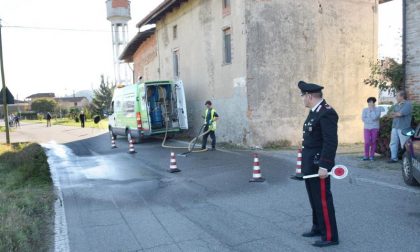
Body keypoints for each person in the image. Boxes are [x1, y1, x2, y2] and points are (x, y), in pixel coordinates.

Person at [298, 81, 339, 247]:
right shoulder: (315, 111)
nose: (302, 99)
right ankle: (318, 227)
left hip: (318, 164)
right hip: (310, 163)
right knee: (313, 197)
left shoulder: (326, 113)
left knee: (322, 199)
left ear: (309, 96)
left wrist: (325, 165)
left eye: (303, 96)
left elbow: (330, 142)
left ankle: (330, 236)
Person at [388, 91, 412, 163]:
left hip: (403, 128)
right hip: (395, 127)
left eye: (397, 96)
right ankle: (394, 158)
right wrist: (396, 114)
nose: (396, 97)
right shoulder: (396, 105)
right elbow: (390, 114)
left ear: (402, 97)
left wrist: (395, 114)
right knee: (393, 143)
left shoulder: (408, 104)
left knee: (404, 144)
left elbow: (400, 114)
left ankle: (407, 160)